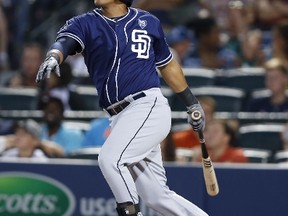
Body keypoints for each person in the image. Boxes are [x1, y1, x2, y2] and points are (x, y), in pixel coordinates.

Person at [35, 0, 207, 215]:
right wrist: (53, 56)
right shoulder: (85, 22)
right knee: (157, 196)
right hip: (120, 116)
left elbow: (168, 64)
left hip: (147, 105)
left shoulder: (148, 21)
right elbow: (65, 42)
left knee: (110, 159)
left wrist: (191, 102)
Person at [0, 119, 64, 160]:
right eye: (17, 133)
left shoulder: (40, 159)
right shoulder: (7, 157)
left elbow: (60, 151)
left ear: (35, 140)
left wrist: (40, 143)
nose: (18, 137)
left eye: (23, 134)